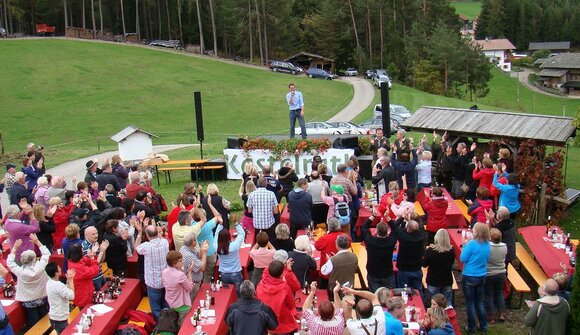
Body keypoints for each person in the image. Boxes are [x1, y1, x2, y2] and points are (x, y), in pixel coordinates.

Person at [7, 234, 50, 331]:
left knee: (34, 323)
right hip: (42, 296)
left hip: (28, 300)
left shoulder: (20, 272)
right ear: (35, 259)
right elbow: (46, 253)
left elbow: (9, 262)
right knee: (45, 318)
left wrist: (14, 248)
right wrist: (37, 241)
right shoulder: (40, 267)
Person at [460, 222, 491, 335]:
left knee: (470, 303)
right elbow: (487, 258)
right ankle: (483, 326)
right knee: (479, 301)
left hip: (470, 275)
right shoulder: (487, 244)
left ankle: (471, 327)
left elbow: (463, 258)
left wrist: (464, 246)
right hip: (481, 275)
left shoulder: (472, 244)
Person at [135, 223, 170, 321]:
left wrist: (139, 232)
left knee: (155, 308)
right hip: (165, 280)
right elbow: (157, 236)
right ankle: (169, 324)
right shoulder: (164, 242)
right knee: (166, 304)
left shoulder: (146, 246)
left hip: (153, 283)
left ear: (147, 236)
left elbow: (136, 248)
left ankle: (161, 326)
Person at [256, 260, 298, 334]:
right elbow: (291, 305)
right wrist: (288, 272)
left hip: (266, 322)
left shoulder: (260, 285)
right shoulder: (285, 288)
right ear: (282, 274)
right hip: (282, 323)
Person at [362, 209, 398, 291]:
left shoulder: (370, 241)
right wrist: (387, 217)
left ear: (376, 231)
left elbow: (364, 227)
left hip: (373, 274)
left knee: (375, 297)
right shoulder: (391, 241)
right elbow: (395, 229)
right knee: (389, 297)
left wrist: (373, 215)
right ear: (387, 232)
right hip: (387, 274)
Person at [161, 250, 196, 327]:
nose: (182, 262)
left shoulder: (164, 272)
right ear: (174, 263)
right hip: (182, 304)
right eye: (180, 261)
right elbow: (190, 288)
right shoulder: (180, 275)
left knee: (174, 323)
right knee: (183, 325)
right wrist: (189, 272)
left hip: (171, 302)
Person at [423, 229, 455, 305]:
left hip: (433, 281)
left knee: (435, 304)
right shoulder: (451, 251)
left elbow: (424, 264)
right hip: (447, 280)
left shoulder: (430, 250)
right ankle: (449, 316)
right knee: (448, 303)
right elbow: (452, 263)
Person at [320, 235, 357, 300]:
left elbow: (323, 271)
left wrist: (329, 261)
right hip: (349, 288)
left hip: (336, 290)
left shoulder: (333, 260)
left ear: (337, 245)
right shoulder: (354, 257)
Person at [215, 221, 246, 294]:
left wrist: (220, 225)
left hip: (224, 274)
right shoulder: (234, 246)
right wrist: (237, 224)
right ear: (229, 236)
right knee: (239, 294)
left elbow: (216, 235)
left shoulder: (216, 247)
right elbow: (242, 234)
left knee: (227, 294)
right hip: (236, 273)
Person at [396, 219, 425, 296]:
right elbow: (421, 227)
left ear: (408, 229)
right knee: (418, 291)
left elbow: (395, 228)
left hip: (404, 270)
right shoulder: (421, 236)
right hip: (417, 269)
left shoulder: (404, 238)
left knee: (403, 291)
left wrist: (403, 219)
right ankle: (421, 304)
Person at [67, 244, 100, 309]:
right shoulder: (79, 268)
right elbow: (95, 271)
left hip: (83, 293)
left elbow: (87, 261)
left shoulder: (72, 261)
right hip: (83, 296)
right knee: (85, 313)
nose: (83, 251)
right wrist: (92, 258)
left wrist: (91, 255)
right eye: (81, 250)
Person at [485, 228, 507, 323]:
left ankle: (491, 316)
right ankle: (502, 313)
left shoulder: (488, 247)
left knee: (489, 295)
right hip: (501, 272)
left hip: (489, 273)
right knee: (499, 293)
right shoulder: (504, 246)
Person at [314, 217, 344, 289]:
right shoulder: (344, 236)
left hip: (327, 272)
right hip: (340, 270)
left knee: (323, 291)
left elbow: (317, 245)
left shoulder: (325, 238)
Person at [179, 233, 208, 300]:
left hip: (193, 281)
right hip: (193, 284)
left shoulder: (186, 248)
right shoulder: (188, 255)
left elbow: (198, 256)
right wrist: (204, 252)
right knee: (193, 302)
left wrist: (202, 248)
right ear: (193, 242)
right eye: (195, 240)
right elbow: (202, 268)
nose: (197, 241)